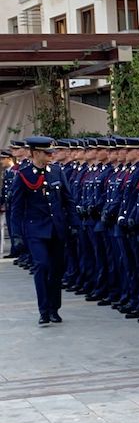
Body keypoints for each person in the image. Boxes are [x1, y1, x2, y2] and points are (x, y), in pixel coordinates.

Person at [8, 136, 78, 325]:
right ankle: (44, 310)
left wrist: (74, 224)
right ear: (36, 153)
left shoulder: (57, 171)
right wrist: (16, 236)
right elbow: (16, 208)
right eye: (47, 153)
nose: (50, 156)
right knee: (42, 266)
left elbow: (68, 200)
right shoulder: (23, 175)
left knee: (56, 269)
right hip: (36, 230)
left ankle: (54, 308)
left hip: (57, 229)